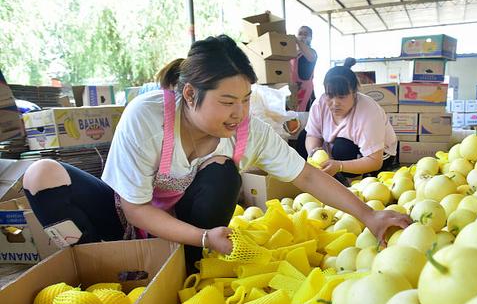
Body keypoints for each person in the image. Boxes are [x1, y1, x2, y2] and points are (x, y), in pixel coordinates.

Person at [21, 35, 410, 272]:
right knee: (41, 176)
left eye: (245, 100)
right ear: (189, 94)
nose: (239, 112)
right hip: (124, 219)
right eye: (227, 101)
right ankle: (98, 264)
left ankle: (185, 268)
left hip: (183, 239)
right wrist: (205, 236)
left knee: (224, 170)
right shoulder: (149, 116)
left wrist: (368, 214)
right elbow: (136, 209)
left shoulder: (247, 131)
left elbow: (306, 175)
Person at [304, 66, 397, 185]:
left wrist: (340, 166)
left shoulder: (369, 112)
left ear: (354, 94)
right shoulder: (320, 105)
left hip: (377, 156)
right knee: (303, 137)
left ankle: (353, 185)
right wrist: (315, 152)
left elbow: (375, 161)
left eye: (342, 97)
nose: (335, 103)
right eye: (330, 95)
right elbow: (312, 135)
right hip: (335, 152)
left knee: (342, 147)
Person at [290, 26, 317, 112]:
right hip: (292, 90)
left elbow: (311, 57)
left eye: (306, 34)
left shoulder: (312, 52)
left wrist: (298, 41)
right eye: (300, 34)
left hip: (305, 92)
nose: (302, 36)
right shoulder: (291, 53)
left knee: (304, 118)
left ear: (311, 38)